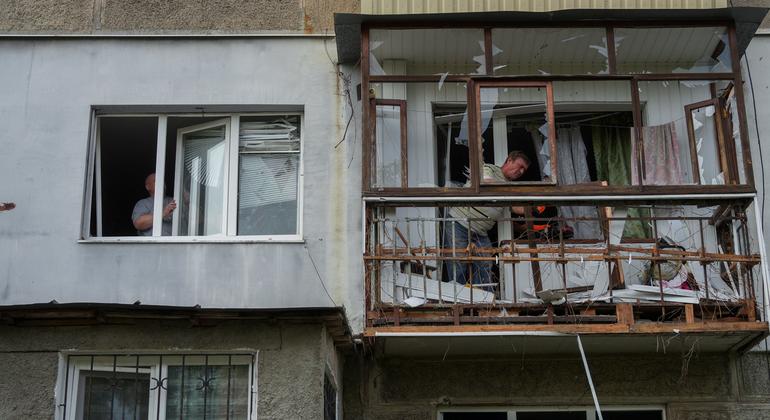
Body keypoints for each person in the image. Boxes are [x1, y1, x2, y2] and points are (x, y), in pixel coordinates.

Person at [444, 151, 531, 288]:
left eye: (523, 170)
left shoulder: (508, 187)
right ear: (509, 160)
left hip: (480, 232)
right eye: (519, 166)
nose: (520, 171)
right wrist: (510, 193)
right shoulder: (489, 169)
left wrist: (536, 207)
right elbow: (486, 183)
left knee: (484, 265)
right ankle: (457, 300)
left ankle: (484, 302)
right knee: (458, 264)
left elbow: (516, 209)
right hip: (460, 223)